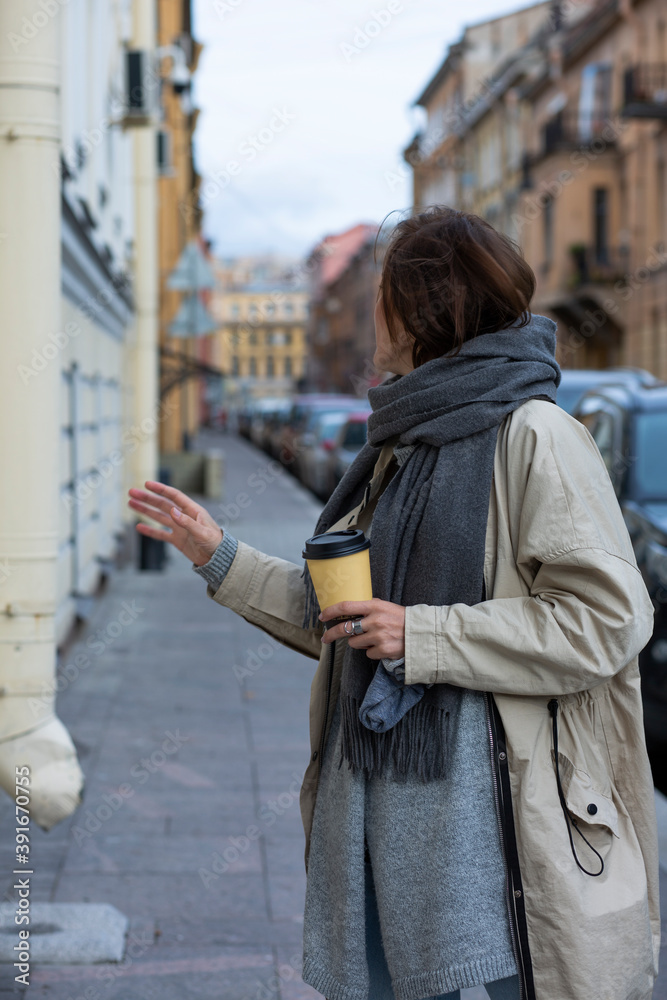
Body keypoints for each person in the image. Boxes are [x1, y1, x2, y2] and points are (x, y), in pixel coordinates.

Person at [127, 206, 660, 1000]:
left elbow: (608, 619)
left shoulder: (535, 436)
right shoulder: (399, 444)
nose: (371, 307)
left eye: (383, 291)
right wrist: (220, 555)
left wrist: (423, 634)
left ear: (422, 311)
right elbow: (348, 620)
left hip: (495, 831)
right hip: (377, 813)